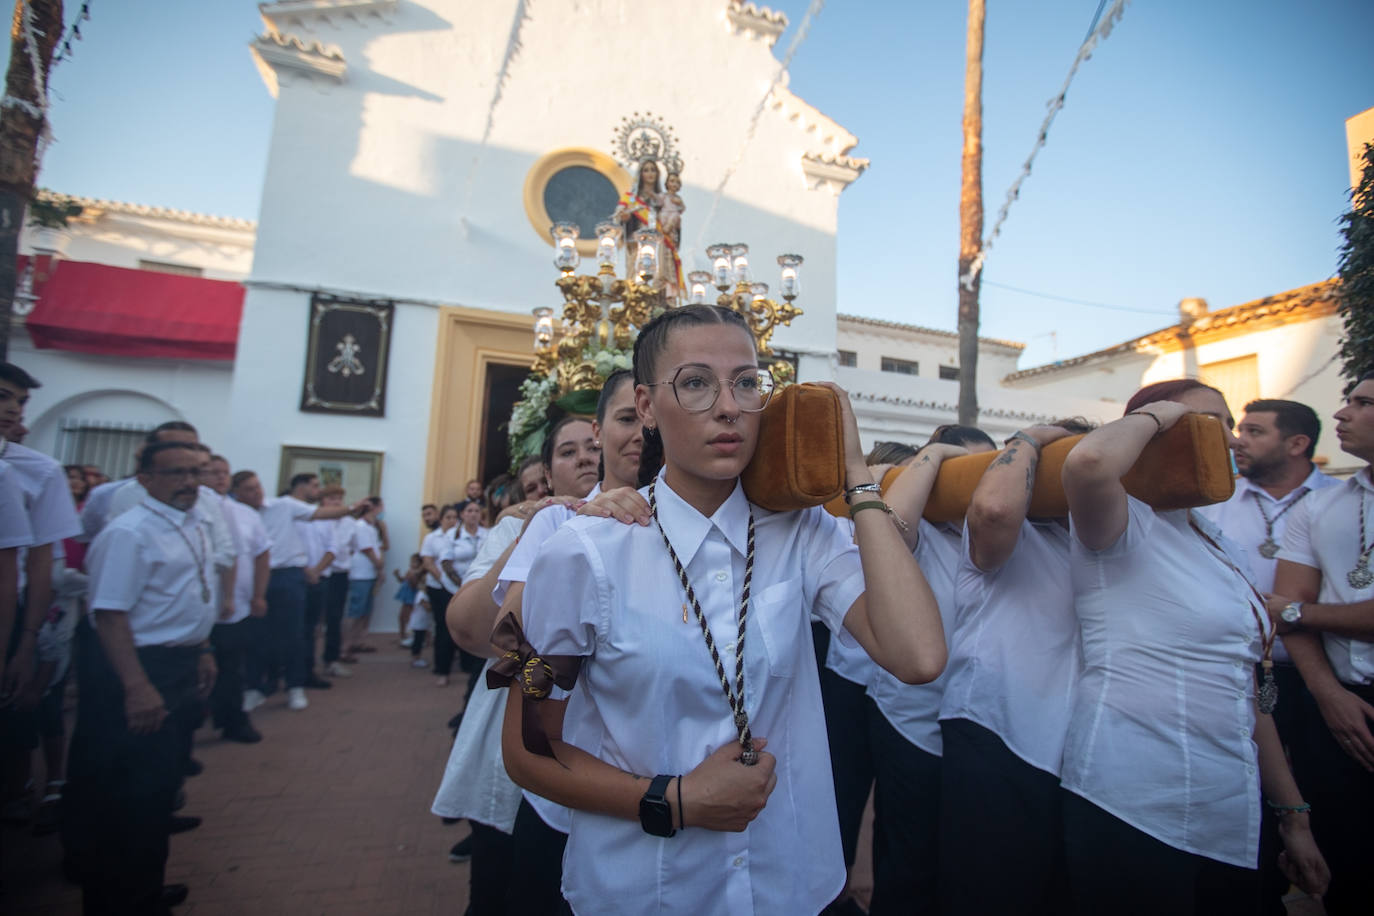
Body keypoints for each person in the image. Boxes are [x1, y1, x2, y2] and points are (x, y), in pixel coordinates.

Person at [502, 304, 946, 915]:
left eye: (745, 382)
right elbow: (529, 747)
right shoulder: (584, 555)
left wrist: (855, 477)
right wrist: (674, 798)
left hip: (786, 884)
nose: (729, 405)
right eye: (695, 383)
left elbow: (918, 655)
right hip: (647, 889)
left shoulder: (802, 534)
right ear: (648, 406)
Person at [1060, 379, 1327, 914]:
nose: (1229, 440)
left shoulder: (1217, 539)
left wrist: (1292, 815)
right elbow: (1088, 462)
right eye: (1208, 425)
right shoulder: (1123, 523)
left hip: (1227, 801)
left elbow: (1245, 688)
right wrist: (1158, 414)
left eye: (1228, 424)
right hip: (1131, 800)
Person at [436, 406, 608, 912]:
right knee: (497, 889)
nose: (584, 458)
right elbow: (469, 630)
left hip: (598, 757)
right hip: (515, 733)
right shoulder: (522, 527)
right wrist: (532, 534)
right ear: (548, 473)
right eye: (567, 451)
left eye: (592, 447)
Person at [936, 418, 1092, 916]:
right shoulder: (1003, 533)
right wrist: (1028, 440)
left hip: (1078, 753)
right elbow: (996, 508)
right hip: (997, 735)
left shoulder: (1095, 538)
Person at [61, 439, 220, 914]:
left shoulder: (192, 523)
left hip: (178, 662)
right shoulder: (129, 532)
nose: (190, 482)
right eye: (176, 473)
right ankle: (118, 900)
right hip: (138, 667)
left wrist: (203, 647)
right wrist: (136, 686)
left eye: (197, 472)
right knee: (126, 797)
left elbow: (190, 593)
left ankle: (145, 891)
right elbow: (109, 616)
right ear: (145, 480)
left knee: (156, 793)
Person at [1197, 398, 1337, 913]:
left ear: (1296, 444)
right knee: (1253, 795)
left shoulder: (1339, 501)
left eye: (1254, 431)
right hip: (1239, 677)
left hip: (1320, 675)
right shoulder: (1214, 501)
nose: (1238, 440)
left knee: (1327, 793)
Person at [865, 425, 996, 915]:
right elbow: (892, 521)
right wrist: (938, 453)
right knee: (908, 859)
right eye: (967, 469)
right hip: (911, 722)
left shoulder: (989, 532)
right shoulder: (924, 531)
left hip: (973, 727)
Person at [1267, 371, 1374, 915]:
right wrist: (1327, 695)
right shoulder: (1322, 506)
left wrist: (1302, 611)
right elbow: (1287, 615)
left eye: (1362, 403)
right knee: (1346, 865)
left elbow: (1291, 608)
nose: (1341, 414)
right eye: (1347, 400)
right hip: (1337, 707)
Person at [0, 362, 81, 763]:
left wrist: (25, 641)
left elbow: (37, 562)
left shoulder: (36, 471)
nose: (14, 409)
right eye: (4, 397)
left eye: (21, 401)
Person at [248, 472, 360, 712]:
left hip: (300, 576)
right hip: (269, 574)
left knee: (300, 632)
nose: (318, 491)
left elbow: (331, 544)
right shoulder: (273, 508)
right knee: (263, 633)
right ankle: (261, 684)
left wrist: (315, 571)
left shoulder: (300, 511)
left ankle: (296, 682)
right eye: (315, 486)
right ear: (299, 486)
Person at [209, 465, 269, 744]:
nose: (220, 477)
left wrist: (257, 594)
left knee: (231, 666)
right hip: (198, 607)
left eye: (224, 471)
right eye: (212, 471)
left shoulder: (245, 514)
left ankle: (233, 719)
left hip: (233, 607)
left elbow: (260, 555)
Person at [421, 504, 462, 687]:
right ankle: (441, 666)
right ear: (441, 519)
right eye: (448, 517)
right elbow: (428, 562)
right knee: (442, 626)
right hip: (438, 587)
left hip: (458, 587)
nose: (452, 521)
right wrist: (445, 580)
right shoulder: (432, 538)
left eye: (455, 517)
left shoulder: (460, 537)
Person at [317, 487, 355, 678]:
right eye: (332, 498)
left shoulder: (349, 522)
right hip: (320, 573)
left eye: (339, 499)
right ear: (323, 501)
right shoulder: (316, 519)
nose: (337, 502)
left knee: (335, 618)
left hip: (339, 573)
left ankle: (331, 660)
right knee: (313, 620)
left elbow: (352, 548)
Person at [343, 498, 384, 660]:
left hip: (370, 573)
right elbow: (367, 549)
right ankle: (345, 646)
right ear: (373, 508)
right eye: (380, 507)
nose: (382, 510)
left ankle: (358, 641)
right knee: (355, 610)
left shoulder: (372, 527)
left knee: (365, 611)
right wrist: (378, 564)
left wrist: (379, 569)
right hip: (360, 573)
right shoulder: (360, 526)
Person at [394, 553, 424, 647]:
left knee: (409, 617)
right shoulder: (410, 571)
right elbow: (403, 580)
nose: (411, 564)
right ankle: (402, 635)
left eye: (414, 562)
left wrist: (413, 577)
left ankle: (415, 637)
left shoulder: (418, 573)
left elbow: (415, 585)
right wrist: (397, 575)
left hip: (412, 597)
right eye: (411, 562)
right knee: (401, 617)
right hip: (406, 597)